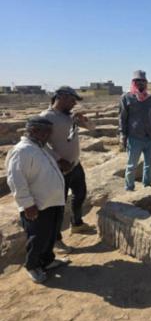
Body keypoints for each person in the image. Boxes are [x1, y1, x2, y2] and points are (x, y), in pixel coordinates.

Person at [6, 116, 69, 283]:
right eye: (46, 132)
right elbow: (16, 180)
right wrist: (27, 205)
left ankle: (47, 261)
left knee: (50, 235)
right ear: (33, 131)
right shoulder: (22, 151)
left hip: (52, 202)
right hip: (37, 205)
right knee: (38, 238)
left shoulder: (40, 147)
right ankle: (32, 266)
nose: (49, 135)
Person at [41, 86, 96, 254]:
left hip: (75, 165)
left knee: (80, 195)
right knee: (58, 205)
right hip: (59, 169)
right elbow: (39, 144)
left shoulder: (70, 116)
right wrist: (58, 160)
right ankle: (56, 241)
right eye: (72, 100)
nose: (74, 104)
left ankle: (77, 224)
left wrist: (84, 120)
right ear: (62, 97)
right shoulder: (46, 117)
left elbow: (92, 128)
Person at [118, 70, 151, 191]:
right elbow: (122, 118)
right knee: (132, 165)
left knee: (149, 164)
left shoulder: (150, 99)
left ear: (146, 82)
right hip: (134, 137)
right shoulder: (126, 97)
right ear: (133, 82)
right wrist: (122, 135)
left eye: (143, 81)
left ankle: (146, 184)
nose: (140, 83)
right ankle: (129, 187)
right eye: (138, 81)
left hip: (150, 137)